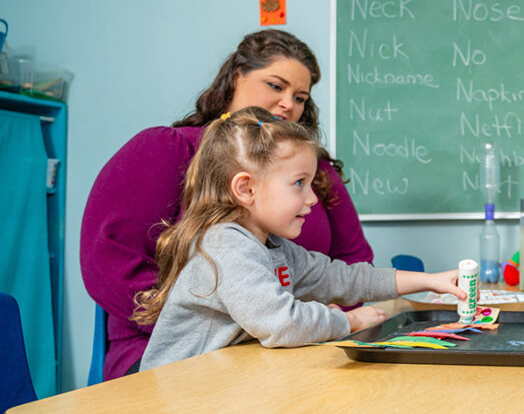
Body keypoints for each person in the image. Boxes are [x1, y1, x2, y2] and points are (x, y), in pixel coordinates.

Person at [81, 29, 375, 380]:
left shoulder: (318, 172)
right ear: (236, 78)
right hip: (177, 355)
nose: (288, 104)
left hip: (294, 345)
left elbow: (354, 259)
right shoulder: (167, 149)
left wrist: (314, 322)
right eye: (276, 86)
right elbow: (109, 262)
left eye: (300, 97)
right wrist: (246, 323)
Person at [133, 107, 464, 370]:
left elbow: (342, 277)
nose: (312, 199)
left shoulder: (272, 248)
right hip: (180, 394)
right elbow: (282, 324)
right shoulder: (225, 245)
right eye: (299, 183)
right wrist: (348, 320)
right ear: (246, 188)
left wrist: (428, 281)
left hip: (222, 381)